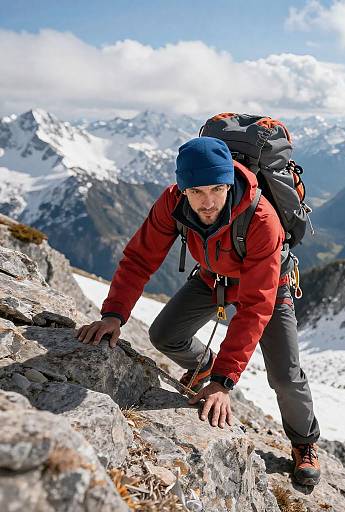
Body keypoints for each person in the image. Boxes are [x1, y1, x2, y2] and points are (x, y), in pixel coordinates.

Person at [76, 136, 321, 486]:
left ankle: (304, 442)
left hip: (269, 285)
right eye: (196, 192)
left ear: (228, 183)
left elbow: (254, 306)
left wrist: (223, 382)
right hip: (214, 277)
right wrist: (113, 314)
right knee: (163, 335)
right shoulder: (172, 202)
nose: (207, 203)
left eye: (216, 190)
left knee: (284, 375)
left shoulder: (262, 218)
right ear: (182, 188)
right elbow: (140, 258)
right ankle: (200, 364)